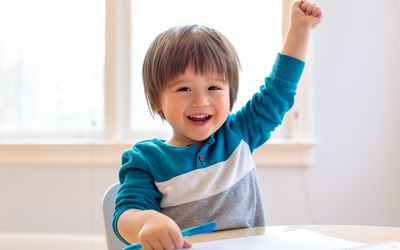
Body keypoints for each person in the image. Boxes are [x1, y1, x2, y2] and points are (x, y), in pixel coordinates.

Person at [113, 1, 322, 249]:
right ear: (158, 99)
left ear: (230, 94)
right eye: (184, 89)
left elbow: (279, 90)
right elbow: (125, 215)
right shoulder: (145, 159)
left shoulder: (239, 134)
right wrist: (147, 221)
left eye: (214, 88)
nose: (201, 101)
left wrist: (299, 29)